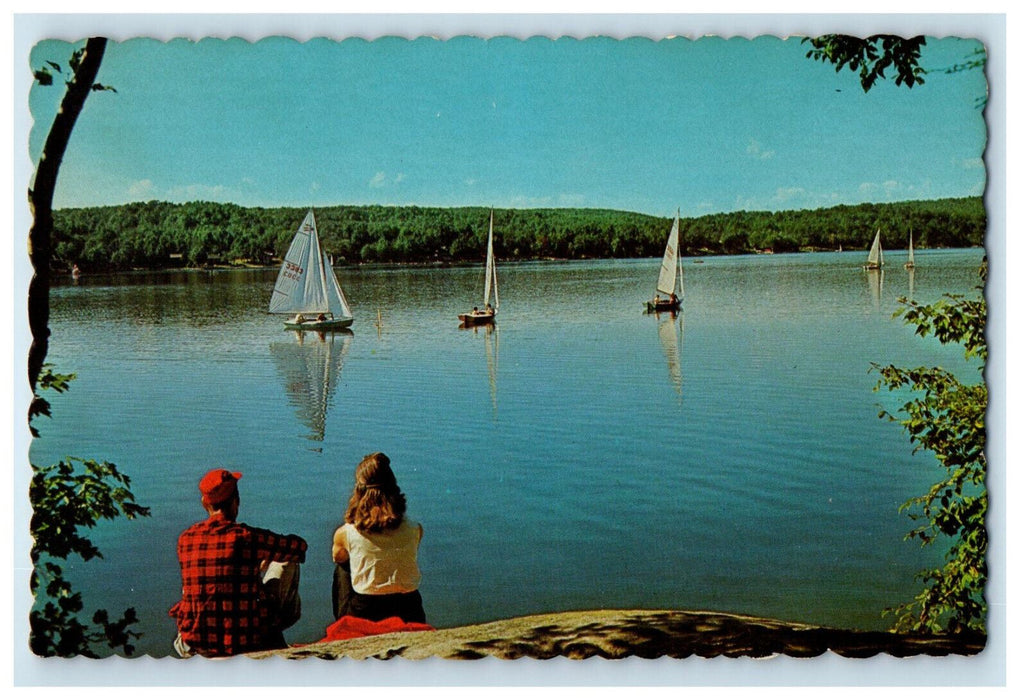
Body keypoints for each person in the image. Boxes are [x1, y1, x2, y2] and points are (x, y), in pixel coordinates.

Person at [169, 469, 308, 657]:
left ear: (204, 503)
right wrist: (263, 558)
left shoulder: (186, 539)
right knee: (287, 562)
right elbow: (299, 548)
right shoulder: (248, 538)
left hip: (195, 643)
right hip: (245, 641)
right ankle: (275, 634)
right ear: (236, 501)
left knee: (193, 584)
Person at [331, 452, 426, 623]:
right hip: (409, 609)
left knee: (343, 566)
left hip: (365, 611)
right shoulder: (415, 528)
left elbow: (338, 557)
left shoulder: (346, 532)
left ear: (358, 492)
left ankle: (342, 623)